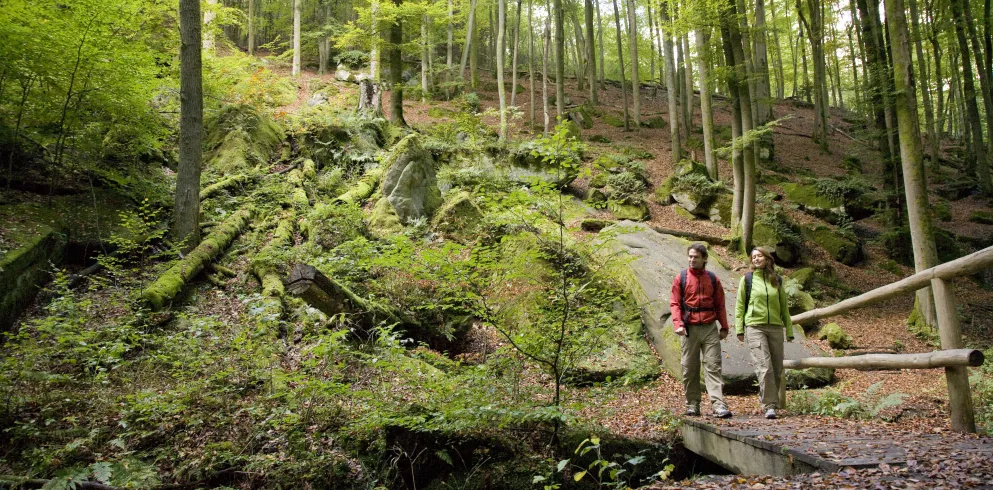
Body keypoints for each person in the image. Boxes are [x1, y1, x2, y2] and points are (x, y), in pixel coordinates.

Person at [670, 243, 732, 418]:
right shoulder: (681, 278)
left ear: (704, 259)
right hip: (689, 329)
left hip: (709, 327)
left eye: (696, 257)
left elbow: (720, 304)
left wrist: (724, 326)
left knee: (713, 365)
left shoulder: (712, 279)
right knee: (689, 368)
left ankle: (718, 405)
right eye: (690, 256)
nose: (692, 260)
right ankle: (692, 404)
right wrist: (678, 324)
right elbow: (675, 303)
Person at [735, 246, 794, 420]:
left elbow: (784, 307)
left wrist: (789, 330)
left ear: (767, 259)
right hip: (755, 327)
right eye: (753, 257)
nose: (756, 259)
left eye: (759, 256)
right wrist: (739, 329)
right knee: (764, 367)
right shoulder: (747, 279)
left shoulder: (777, 280)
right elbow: (740, 305)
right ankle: (770, 405)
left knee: (776, 368)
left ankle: (767, 399)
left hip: (775, 327)